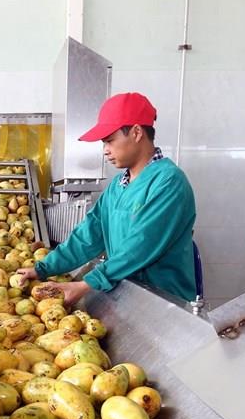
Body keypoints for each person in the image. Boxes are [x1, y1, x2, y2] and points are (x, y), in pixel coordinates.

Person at [17, 92, 196, 304]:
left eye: (110, 141)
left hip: (164, 301)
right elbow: (89, 234)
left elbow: (141, 244)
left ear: (136, 132)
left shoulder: (168, 182)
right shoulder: (118, 185)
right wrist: (42, 269)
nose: (105, 151)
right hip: (129, 294)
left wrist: (87, 284)